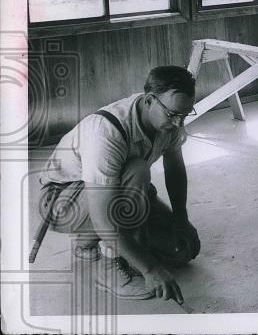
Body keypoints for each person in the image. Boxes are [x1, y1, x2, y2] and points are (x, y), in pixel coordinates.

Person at [36, 66, 201, 302]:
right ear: (149, 101)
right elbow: (103, 218)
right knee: (137, 169)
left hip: (115, 191)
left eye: (184, 115)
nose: (178, 123)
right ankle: (107, 261)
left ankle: (102, 242)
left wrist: (181, 219)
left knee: (182, 251)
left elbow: (174, 169)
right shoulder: (106, 132)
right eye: (173, 115)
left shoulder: (170, 119)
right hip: (63, 201)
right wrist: (150, 269)